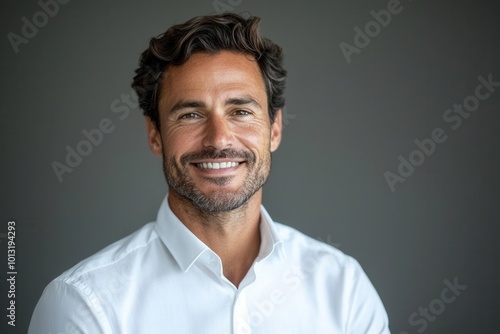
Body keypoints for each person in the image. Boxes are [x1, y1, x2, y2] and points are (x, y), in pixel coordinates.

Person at [29, 13, 390, 333]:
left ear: (275, 128)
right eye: (190, 114)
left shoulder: (344, 289)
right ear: (155, 134)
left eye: (241, 111)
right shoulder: (83, 306)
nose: (218, 139)